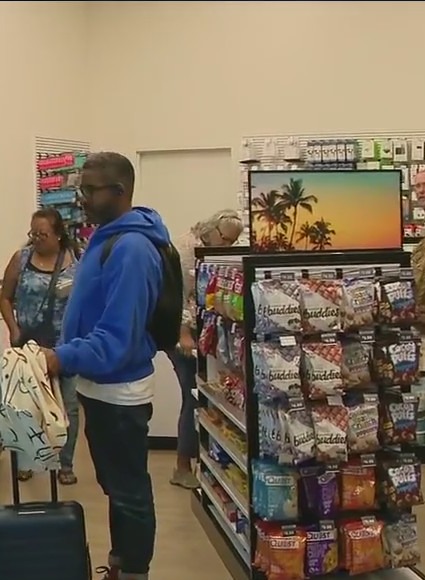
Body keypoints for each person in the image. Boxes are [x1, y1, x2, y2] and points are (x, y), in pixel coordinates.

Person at [41, 152, 171, 580]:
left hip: (119, 392)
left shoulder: (131, 248)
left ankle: (134, 571)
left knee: (129, 492)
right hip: (99, 388)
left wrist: (61, 357)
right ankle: (121, 562)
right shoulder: (108, 237)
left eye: (90, 189)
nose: (81, 198)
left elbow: (117, 339)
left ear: (119, 192)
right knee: (116, 488)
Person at [0, 208, 79, 484]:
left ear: (58, 235)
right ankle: (26, 459)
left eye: (42, 234)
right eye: (32, 233)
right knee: (25, 404)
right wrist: (14, 329)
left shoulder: (75, 262)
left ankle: (65, 465)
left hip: (64, 347)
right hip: (28, 346)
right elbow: (5, 297)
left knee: (67, 407)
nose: (35, 239)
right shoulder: (20, 259)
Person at [168, 209, 243, 490]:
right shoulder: (185, 250)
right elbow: (177, 296)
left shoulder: (212, 251)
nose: (229, 247)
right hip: (183, 337)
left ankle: (210, 463)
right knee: (193, 396)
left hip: (207, 333)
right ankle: (182, 466)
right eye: (226, 240)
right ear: (212, 230)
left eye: (234, 242)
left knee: (210, 397)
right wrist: (184, 334)